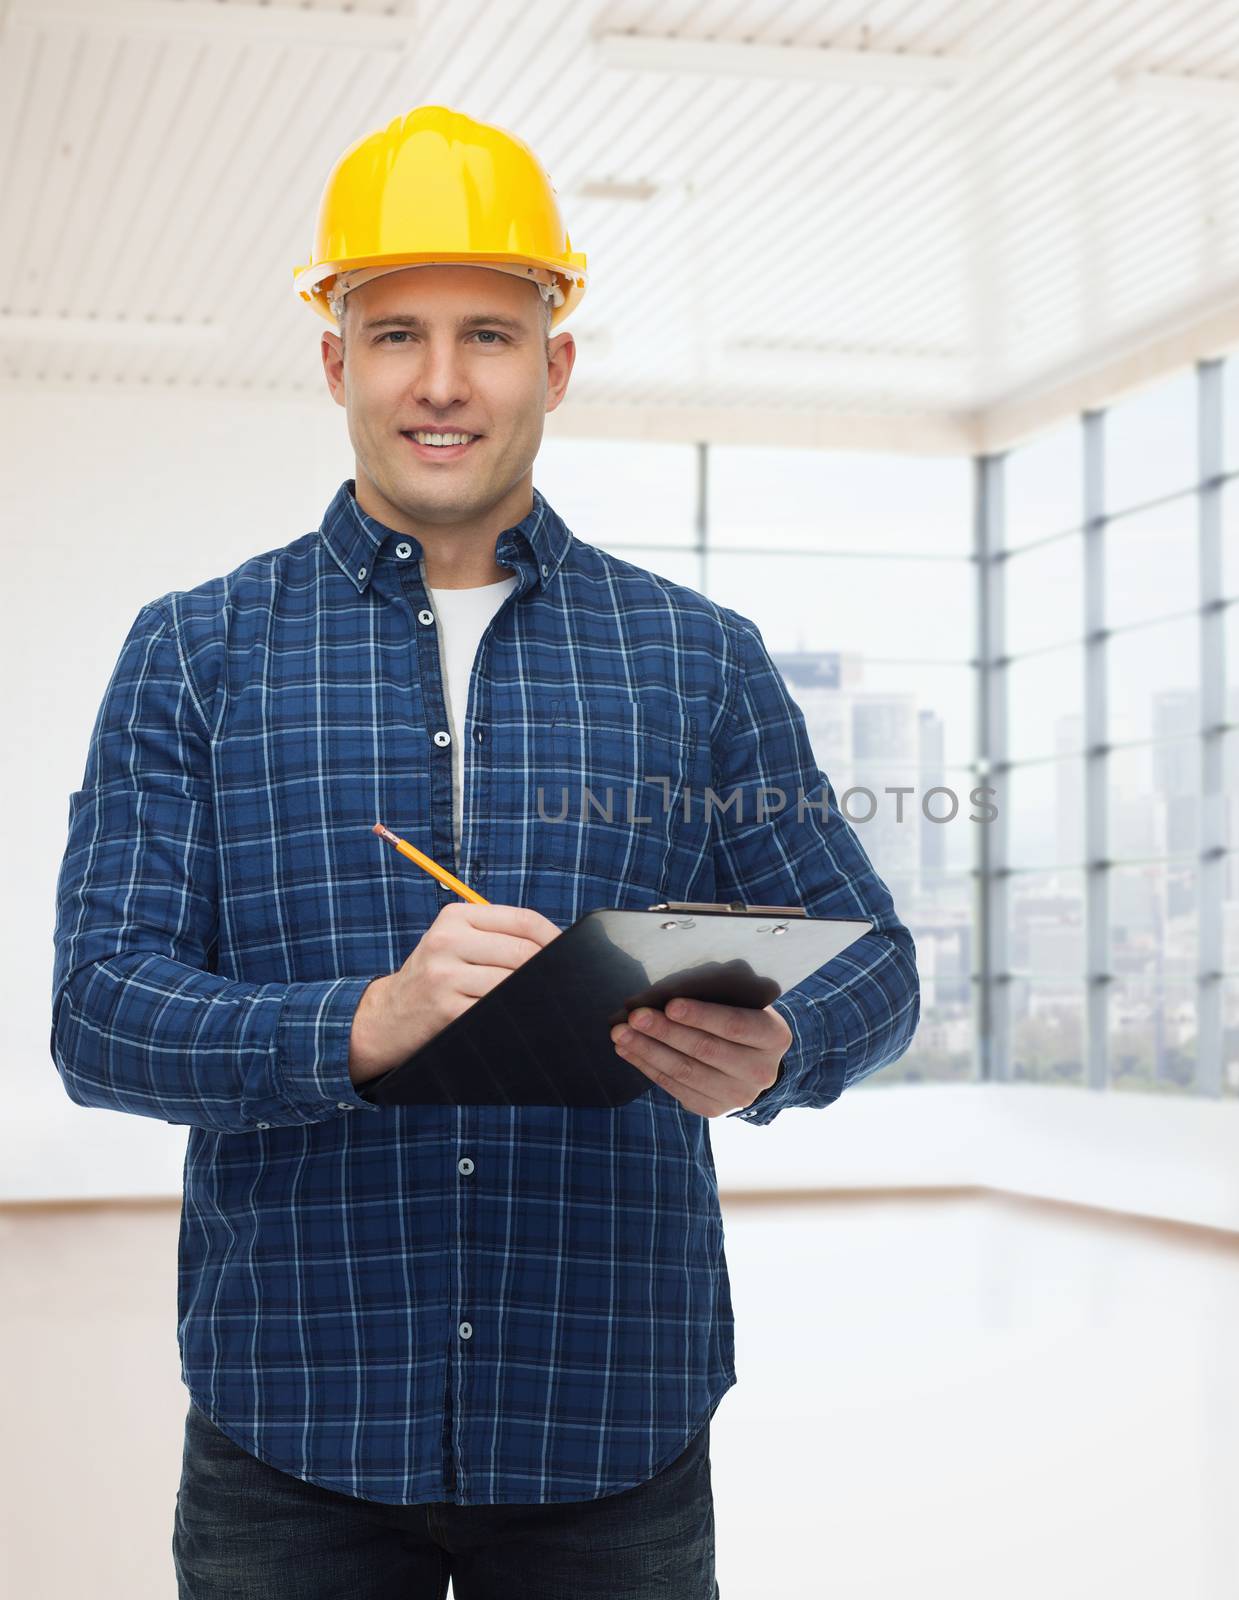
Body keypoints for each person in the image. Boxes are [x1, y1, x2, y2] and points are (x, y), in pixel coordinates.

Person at [50, 104, 920, 1599]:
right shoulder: (196, 653)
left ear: (555, 361)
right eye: (394, 334)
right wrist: (368, 1022)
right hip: (295, 1421)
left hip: (610, 1427)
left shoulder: (697, 661)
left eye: (489, 335)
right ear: (334, 359)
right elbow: (101, 1011)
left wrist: (780, 1050)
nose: (440, 383)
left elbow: (873, 964)